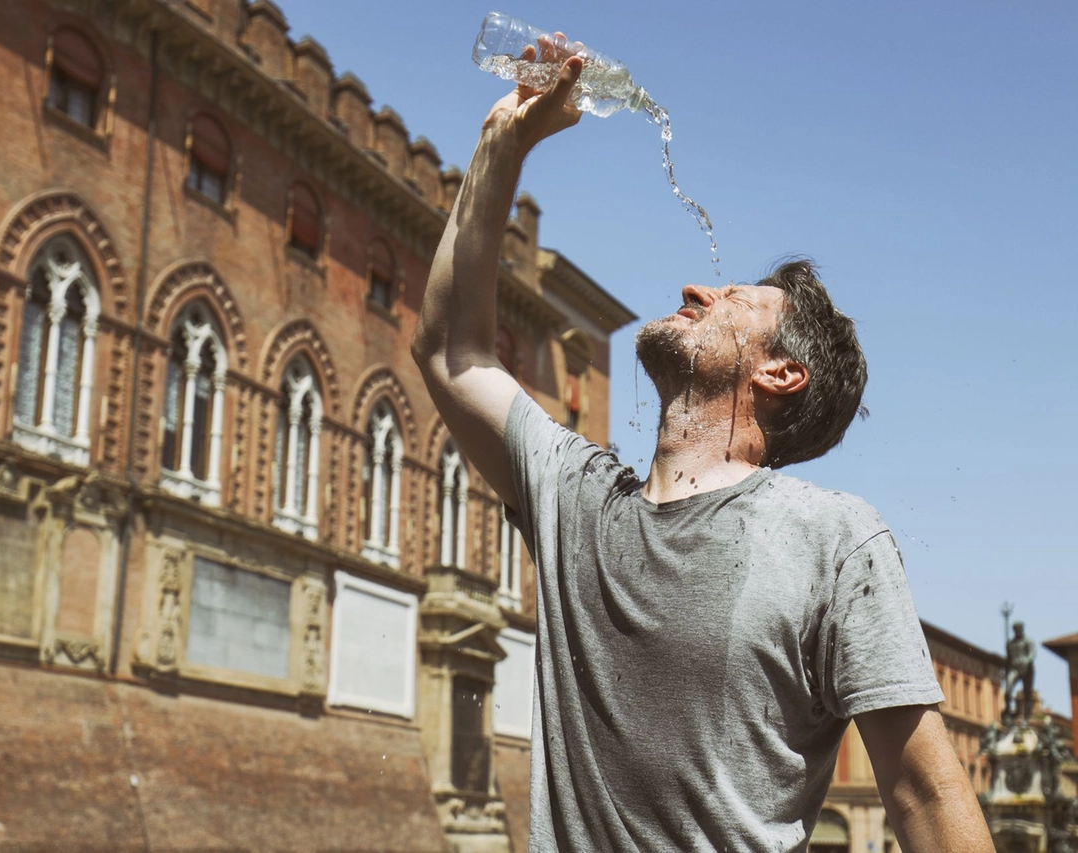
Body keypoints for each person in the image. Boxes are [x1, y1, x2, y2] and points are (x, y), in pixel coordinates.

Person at [410, 41, 994, 852]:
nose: (693, 288)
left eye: (732, 299)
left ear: (781, 371)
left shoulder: (832, 539)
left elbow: (924, 795)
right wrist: (501, 146)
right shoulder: (573, 498)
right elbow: (448, 351)